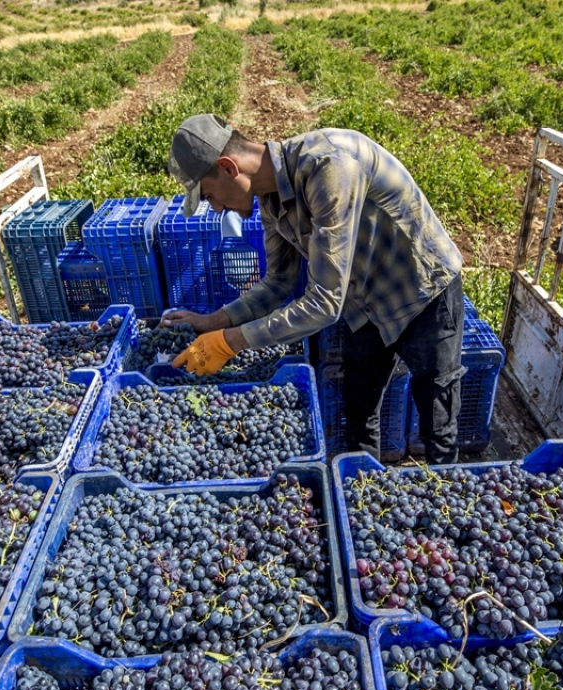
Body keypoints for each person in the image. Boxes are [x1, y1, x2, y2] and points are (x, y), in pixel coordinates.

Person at [163, 114, 467, 464]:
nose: (216, 208)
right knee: (360, 414)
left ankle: (444, 485)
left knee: (437, 418)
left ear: (229, 168)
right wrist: (213, 322)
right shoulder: (270, 200)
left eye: (210, 195)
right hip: (362, 300)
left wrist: (230, 342)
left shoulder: (330, 166)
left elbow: (323, 304)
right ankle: (362, 493)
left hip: (421, 290)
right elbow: (278, 282)